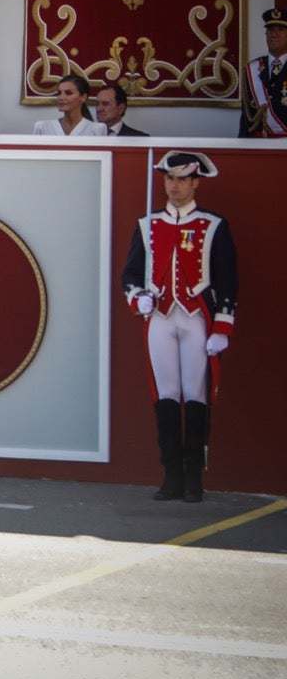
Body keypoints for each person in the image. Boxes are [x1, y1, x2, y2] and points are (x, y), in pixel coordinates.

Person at [119, 151, 238, 503]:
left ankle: (194, 478)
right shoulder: (147, 224)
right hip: (159, 318)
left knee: (196, 395)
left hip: (197, 319)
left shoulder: (213, 225)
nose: (174, 185)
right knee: (166, 395)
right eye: (169, 179)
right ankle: (170, 474)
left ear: (195, 182)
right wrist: (137, 296)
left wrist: (222, 327)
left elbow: (228, 279)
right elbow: (129, 273)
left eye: (182, 179)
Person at [238, 7, 287, 138]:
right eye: (270, 30)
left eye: (280, 30)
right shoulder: (252, 69)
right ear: (266, 34)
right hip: (259, 147)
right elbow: (247, 118)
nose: (274, 34)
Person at [31, 73, 107, 136]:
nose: (61, 97)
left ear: (83, 97)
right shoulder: (43, 127)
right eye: (59, 93)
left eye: (68, 93)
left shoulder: (96, 129)